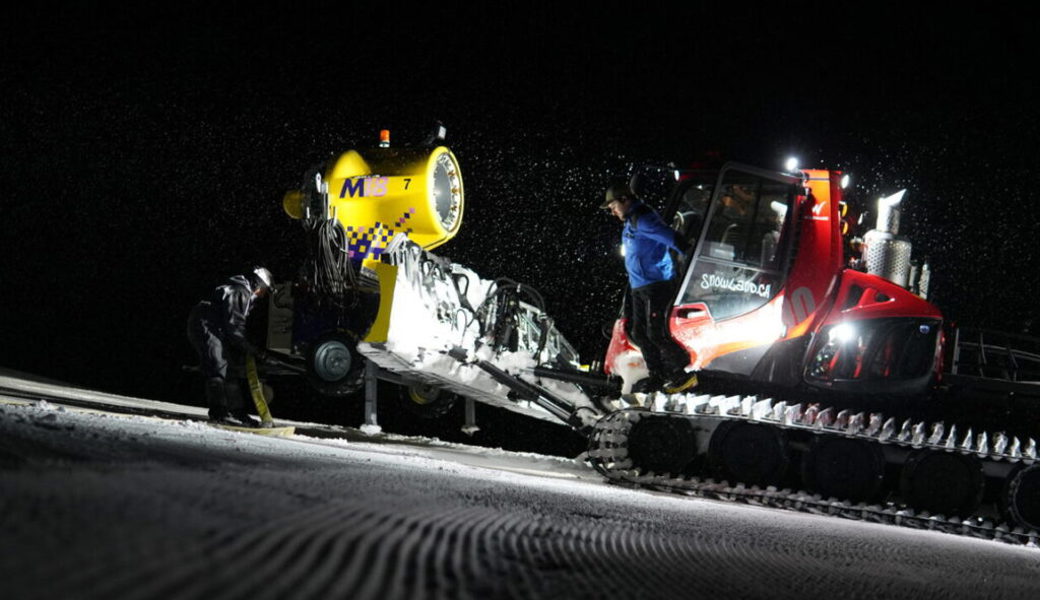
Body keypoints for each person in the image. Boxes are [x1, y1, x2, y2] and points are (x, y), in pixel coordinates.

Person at [601, 177, 698, 394]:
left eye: (613, 206)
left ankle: (681, 374)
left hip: (656, 284)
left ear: (624, 200)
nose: (613, 212)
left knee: (656, 333)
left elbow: (674, 239)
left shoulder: (644, 219)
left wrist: (693, 264)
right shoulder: (630, 220)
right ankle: (657, 375)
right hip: (639, 286)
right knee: (638, 331)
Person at [187, 266, 274, 426]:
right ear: (257, 284)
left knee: (230, 370)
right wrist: (251, 349)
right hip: (206, 324)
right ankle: (218, 412)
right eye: (263, 290)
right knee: (218, 366)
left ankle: (238, 412)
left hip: (216, 326)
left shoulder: (244, 294)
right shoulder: (239, 292)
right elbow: (235, 327)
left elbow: (236, 326)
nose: (262, 296)